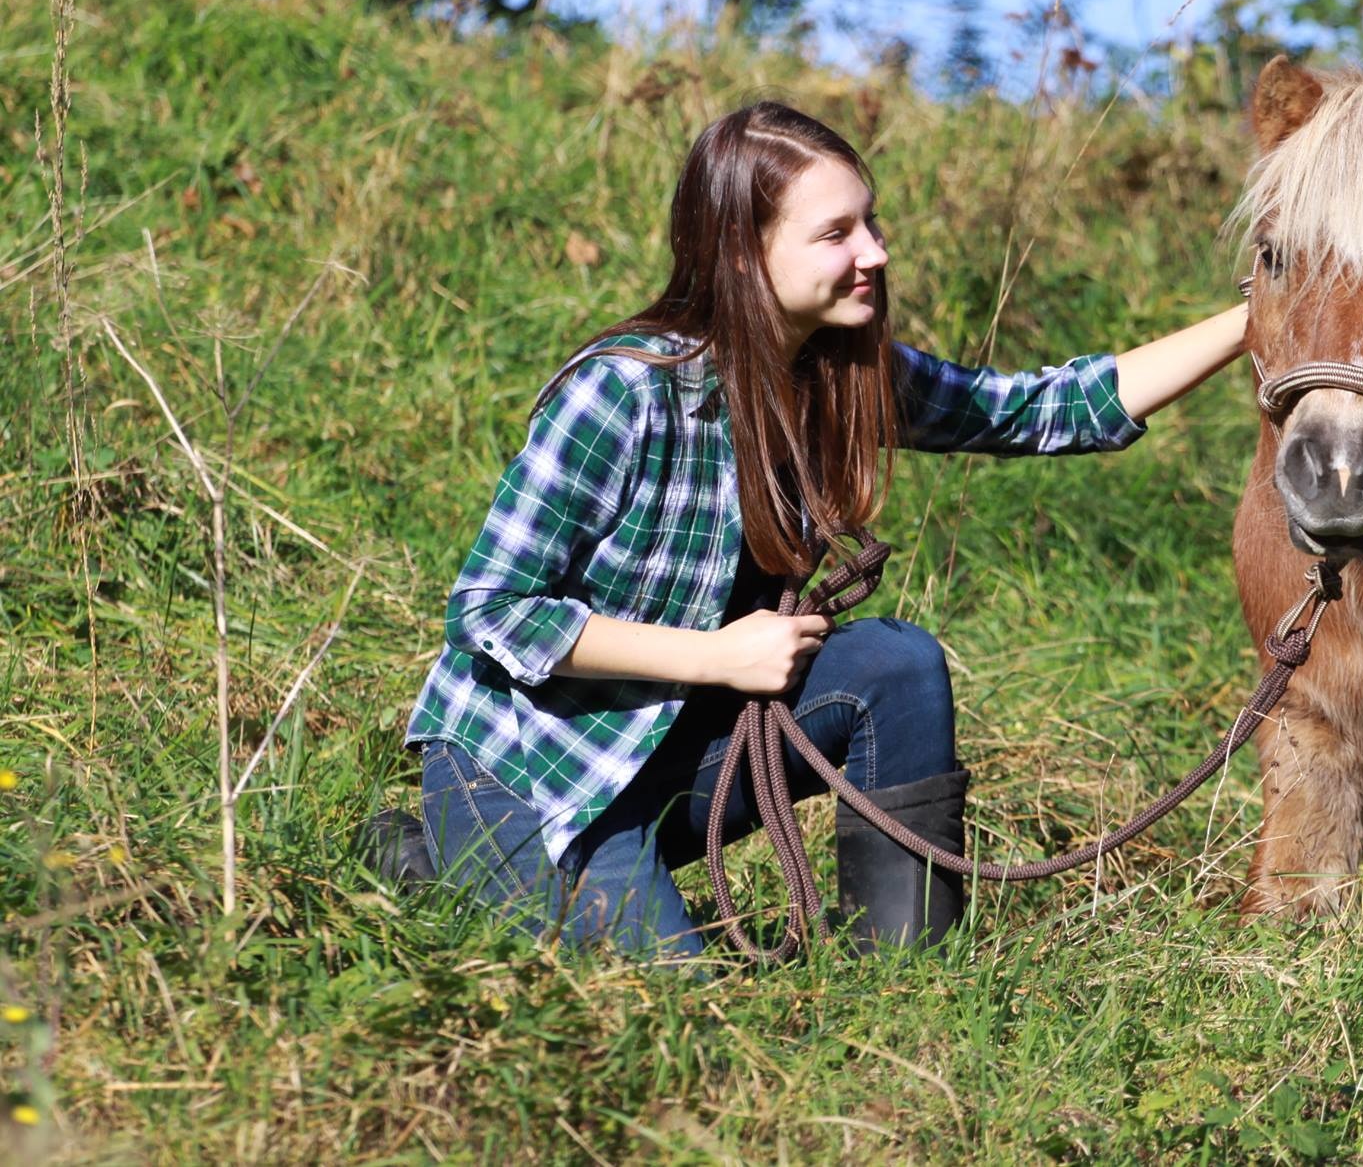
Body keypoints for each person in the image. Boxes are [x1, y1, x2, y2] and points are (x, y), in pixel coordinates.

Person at [380, 101, 1247, 961]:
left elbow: (1039, 409)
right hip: (534, 775)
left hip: (667, 753)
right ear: (742, 254)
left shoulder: (835, 369)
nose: (876, 252)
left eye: (871, 222)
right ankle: (437, 859)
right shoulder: (622, 394)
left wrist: (1261, 318)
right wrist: (717, 658)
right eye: (837, 234)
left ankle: (906, 981)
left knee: (895, 666)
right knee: (676, 1019)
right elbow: (491, 612)